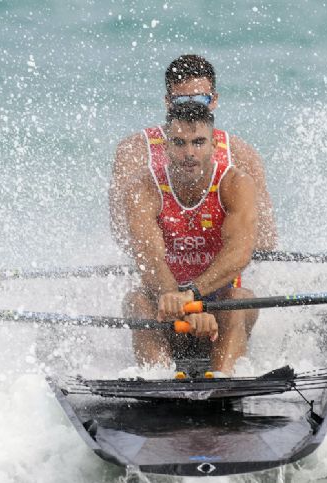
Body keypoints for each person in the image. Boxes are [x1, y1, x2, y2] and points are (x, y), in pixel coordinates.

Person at [122, 101, 258, 375]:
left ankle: (223, 379)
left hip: (218, 308)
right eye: (179, 143)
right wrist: (179, 303)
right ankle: (157, 381)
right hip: (166, 306)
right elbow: (149, 257)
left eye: (198, 142)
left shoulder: (235, 184)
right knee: (135, 301)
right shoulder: (143, 187)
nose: (189, 153)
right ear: (165, 147)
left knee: (239, 298)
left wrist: (194, 296)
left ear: (214, 146)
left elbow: (239, 255)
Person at [110, 54, 277, 253]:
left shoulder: (241, 154)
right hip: (159, 263)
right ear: (168, 102)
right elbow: (121, 229)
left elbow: (265, 238)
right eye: (181, 101)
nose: (191, 109)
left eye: (200, 100)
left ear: (213, 100)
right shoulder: (134, 149)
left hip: (222, 269)